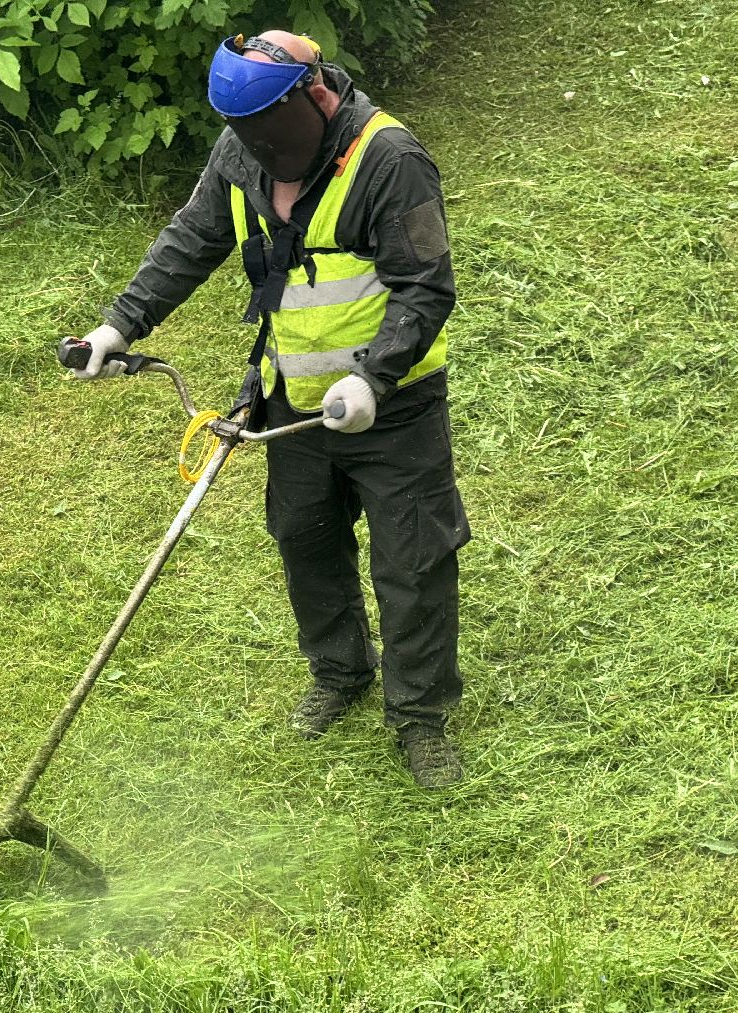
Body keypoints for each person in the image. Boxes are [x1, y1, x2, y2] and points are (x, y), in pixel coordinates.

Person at [70, 30, 470, 788]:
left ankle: (420, 717)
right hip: (290, 401)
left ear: (312, 95)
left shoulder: (389, 160)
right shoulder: (241, 153)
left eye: (266, 132)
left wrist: (374, 378)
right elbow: (193, 238)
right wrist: (119, 325)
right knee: (304, 538)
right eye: (241, 135)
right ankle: (340, 672)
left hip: (395, 406)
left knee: (412, 559)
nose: (256, 150)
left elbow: (425, 287)